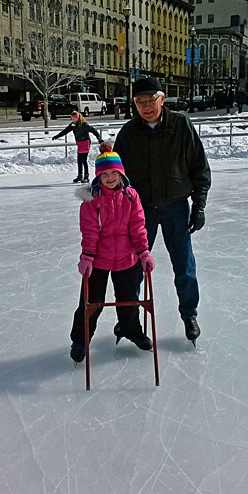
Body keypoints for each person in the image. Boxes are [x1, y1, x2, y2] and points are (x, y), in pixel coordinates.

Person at [114, 77, 211, 345]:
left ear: (162, 98)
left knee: (184, 264)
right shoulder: (128, 133)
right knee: (132, 266)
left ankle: (189, 314)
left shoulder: (181, 125)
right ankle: (128, 319)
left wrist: (199, 204)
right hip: (140, 211)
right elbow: (116, 175)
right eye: (139, 102)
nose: (145, 107)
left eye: (150, 100)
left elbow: (199, 167)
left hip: (175, 206)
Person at [69, 142, 155, 363]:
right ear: (98, 176)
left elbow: (137, 227)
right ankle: (81, 339)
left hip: (127, 257)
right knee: (91, 302)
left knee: (129, 300)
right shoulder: (91, 201)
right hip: (98, 259)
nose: (109, 178)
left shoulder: (130, 197)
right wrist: (87, 257)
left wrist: (144, 252)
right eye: (104, 174)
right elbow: (89, 232)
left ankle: (131, 330)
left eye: (113, 173)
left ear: (120, 173)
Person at [52, 111, 102, 183]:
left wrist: (99, 138)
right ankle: (80, 175)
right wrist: (57, 136)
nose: (73, 119)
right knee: (79, 160)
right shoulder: (73, 125)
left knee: (84, 160)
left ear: (78, 118)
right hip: (80, 143)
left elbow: (93, 130)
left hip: (86, 142)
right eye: (71, 118)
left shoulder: (84, 124)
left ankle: (86, 177)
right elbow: (65, 131)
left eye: (74, 118)